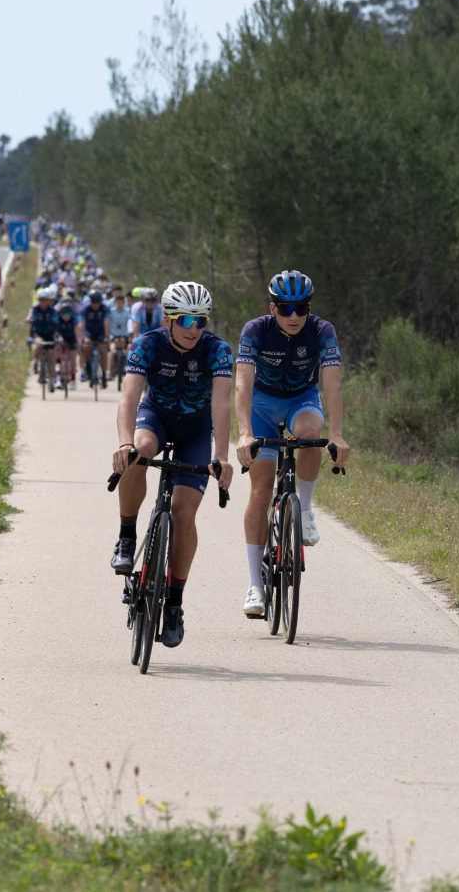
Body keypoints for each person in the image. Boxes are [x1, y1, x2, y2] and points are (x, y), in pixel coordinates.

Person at [109, 281, 234, 648]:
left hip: (196, 429)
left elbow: (221, 405)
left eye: (200, 321)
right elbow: (129, 398)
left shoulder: (217, 350)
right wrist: (124, 443)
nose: (193, 329)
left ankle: (175, 604)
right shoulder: (147, 344)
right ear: (167, 319)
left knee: (183, 515)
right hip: (157, 418)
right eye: (185, 320)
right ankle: (127, 537)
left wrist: (222, 456)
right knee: (140, 452)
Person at [233, 270, 352, 618]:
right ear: (273, 308)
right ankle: (255, 585)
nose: (294, 316)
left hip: (302, 399)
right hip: (262, 406)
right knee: (260, 492)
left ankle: (305, 509)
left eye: (301, 308)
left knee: (310, 434)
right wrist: (244, 433)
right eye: (286, 309)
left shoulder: (322, 330)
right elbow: (242, 383)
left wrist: (337, 435)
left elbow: (332, 384)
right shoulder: (255, 330)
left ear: (309, 308)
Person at [27, 285, 61, 378]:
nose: (43, 302)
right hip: (39, 333)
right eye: (41, 300)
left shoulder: (52, 311)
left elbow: (56, 320)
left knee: (51, 357)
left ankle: (52, 380)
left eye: (45, 300)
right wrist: (31, 320)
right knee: (39, 344)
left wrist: (54, 321)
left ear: (48, 301)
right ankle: (35, 360)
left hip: (50, 335)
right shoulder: (36, 309)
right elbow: (33, 317)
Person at [79, 290, 109, 386]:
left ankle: (104, 375)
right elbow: (82, 324)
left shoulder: (105, 309)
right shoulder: (85, 309)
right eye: (93, 302)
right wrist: (82, 337)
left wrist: (107, 337)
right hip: (89, 333)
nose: (95, 305)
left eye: (97, 303)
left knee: (103, 350)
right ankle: (88, 366)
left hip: (101, 333)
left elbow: (107, 323)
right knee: (87, 346)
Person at [54, 292, 80, 387]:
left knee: (73, 359)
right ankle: (58, 373)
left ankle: (73, 379)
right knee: (57, 347)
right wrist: (58, 337)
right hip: (61, 338)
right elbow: (55, 331)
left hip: (71, 338)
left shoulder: (74, 319)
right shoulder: (57, 319)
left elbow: (77, 331)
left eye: (68, 313)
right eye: (64, 313)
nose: (66, 316)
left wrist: (78, 343)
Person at [107, 293, 133, 380]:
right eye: (118, 302)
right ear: (115, 303)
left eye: (121, 302)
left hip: (124, 335)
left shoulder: (127, 311)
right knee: (112, 352)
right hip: (113, 336)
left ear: (123, 303)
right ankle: (111, 372)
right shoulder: (111, 312)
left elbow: (130, 322)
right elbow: (107, 323)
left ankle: (127, 367)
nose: (119, 304)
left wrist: (130, 333)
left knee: (128, 348)